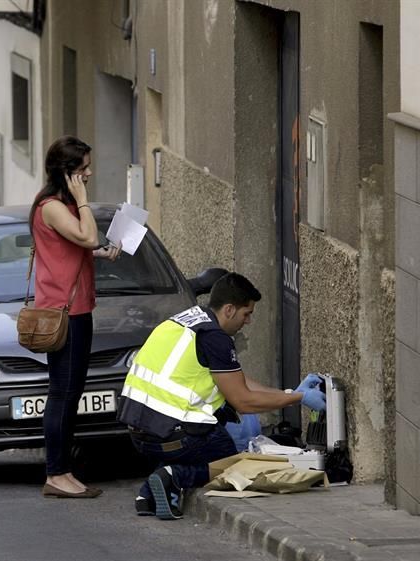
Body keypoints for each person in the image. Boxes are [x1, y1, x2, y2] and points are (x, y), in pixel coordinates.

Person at [117, 272, 326, 520]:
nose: (247, 322)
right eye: (246, 314)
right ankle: (174, 476)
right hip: (172, 437)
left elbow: (238, 381)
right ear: (228, 309)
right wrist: (299, 399)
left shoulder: (185, 321)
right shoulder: (214, 337)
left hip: (140, 434)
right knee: (234, 459)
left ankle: (147, 494)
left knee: (206, 438)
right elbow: (243, 401)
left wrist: (289, 393)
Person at [30, 136, 121, 499]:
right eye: (83, 169)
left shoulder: (60, 206)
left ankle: (63, 471)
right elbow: (86, 235)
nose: (89, 174)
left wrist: (99, 254)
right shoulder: (51, 206)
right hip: (63, 314)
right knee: (63, 394)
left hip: (77, 310)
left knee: (71, 392)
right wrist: (83, 202)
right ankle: (56, 473)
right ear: (67, 173)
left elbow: (72, 247)